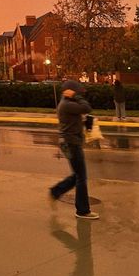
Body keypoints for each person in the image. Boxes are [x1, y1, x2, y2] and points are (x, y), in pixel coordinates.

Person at [49, 80, 99, 220]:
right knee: (81, 177)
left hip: (71, 142)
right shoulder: (67, 104)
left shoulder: (67, 105)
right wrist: (76, 96)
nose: (79, 94)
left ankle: (55, 191)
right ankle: (82, 210)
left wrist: (83, 123)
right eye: (77, 92)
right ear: (70, 92)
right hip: (71, 143)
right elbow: (87, 107)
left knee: (77, 175)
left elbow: (76, 117)